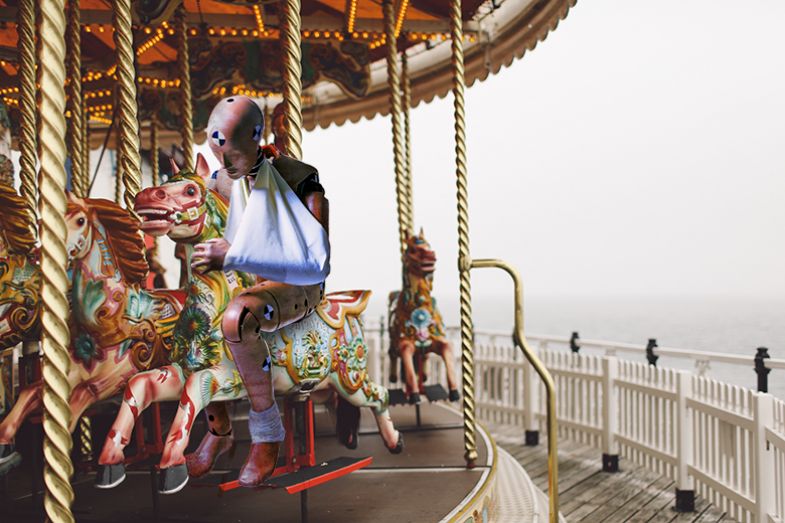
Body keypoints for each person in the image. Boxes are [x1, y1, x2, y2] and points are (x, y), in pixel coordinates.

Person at [191, 96, 330, 487]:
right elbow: (199, 187)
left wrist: (235, 255)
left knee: (237, 317)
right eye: (218, 155)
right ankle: (219, 432)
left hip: (295, 286)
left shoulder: (301, 180)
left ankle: (267, 432)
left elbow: (316, 263)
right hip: (247, 279)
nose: (224, 166)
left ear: (256, 138)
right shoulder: (226, 176)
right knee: (193, 326)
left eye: (231, 156)